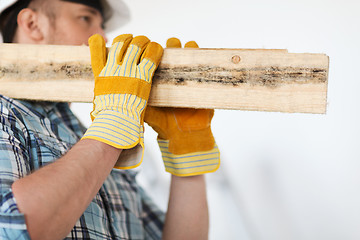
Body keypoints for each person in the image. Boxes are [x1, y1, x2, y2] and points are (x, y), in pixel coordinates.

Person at [0, 0, 220, 239]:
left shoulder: (88, 140)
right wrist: (114, 120)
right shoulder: (6, 114)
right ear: (33, 25)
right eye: (85, 18)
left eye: (102, 25)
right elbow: (12, 229)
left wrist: (186, 151)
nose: (103, 36)